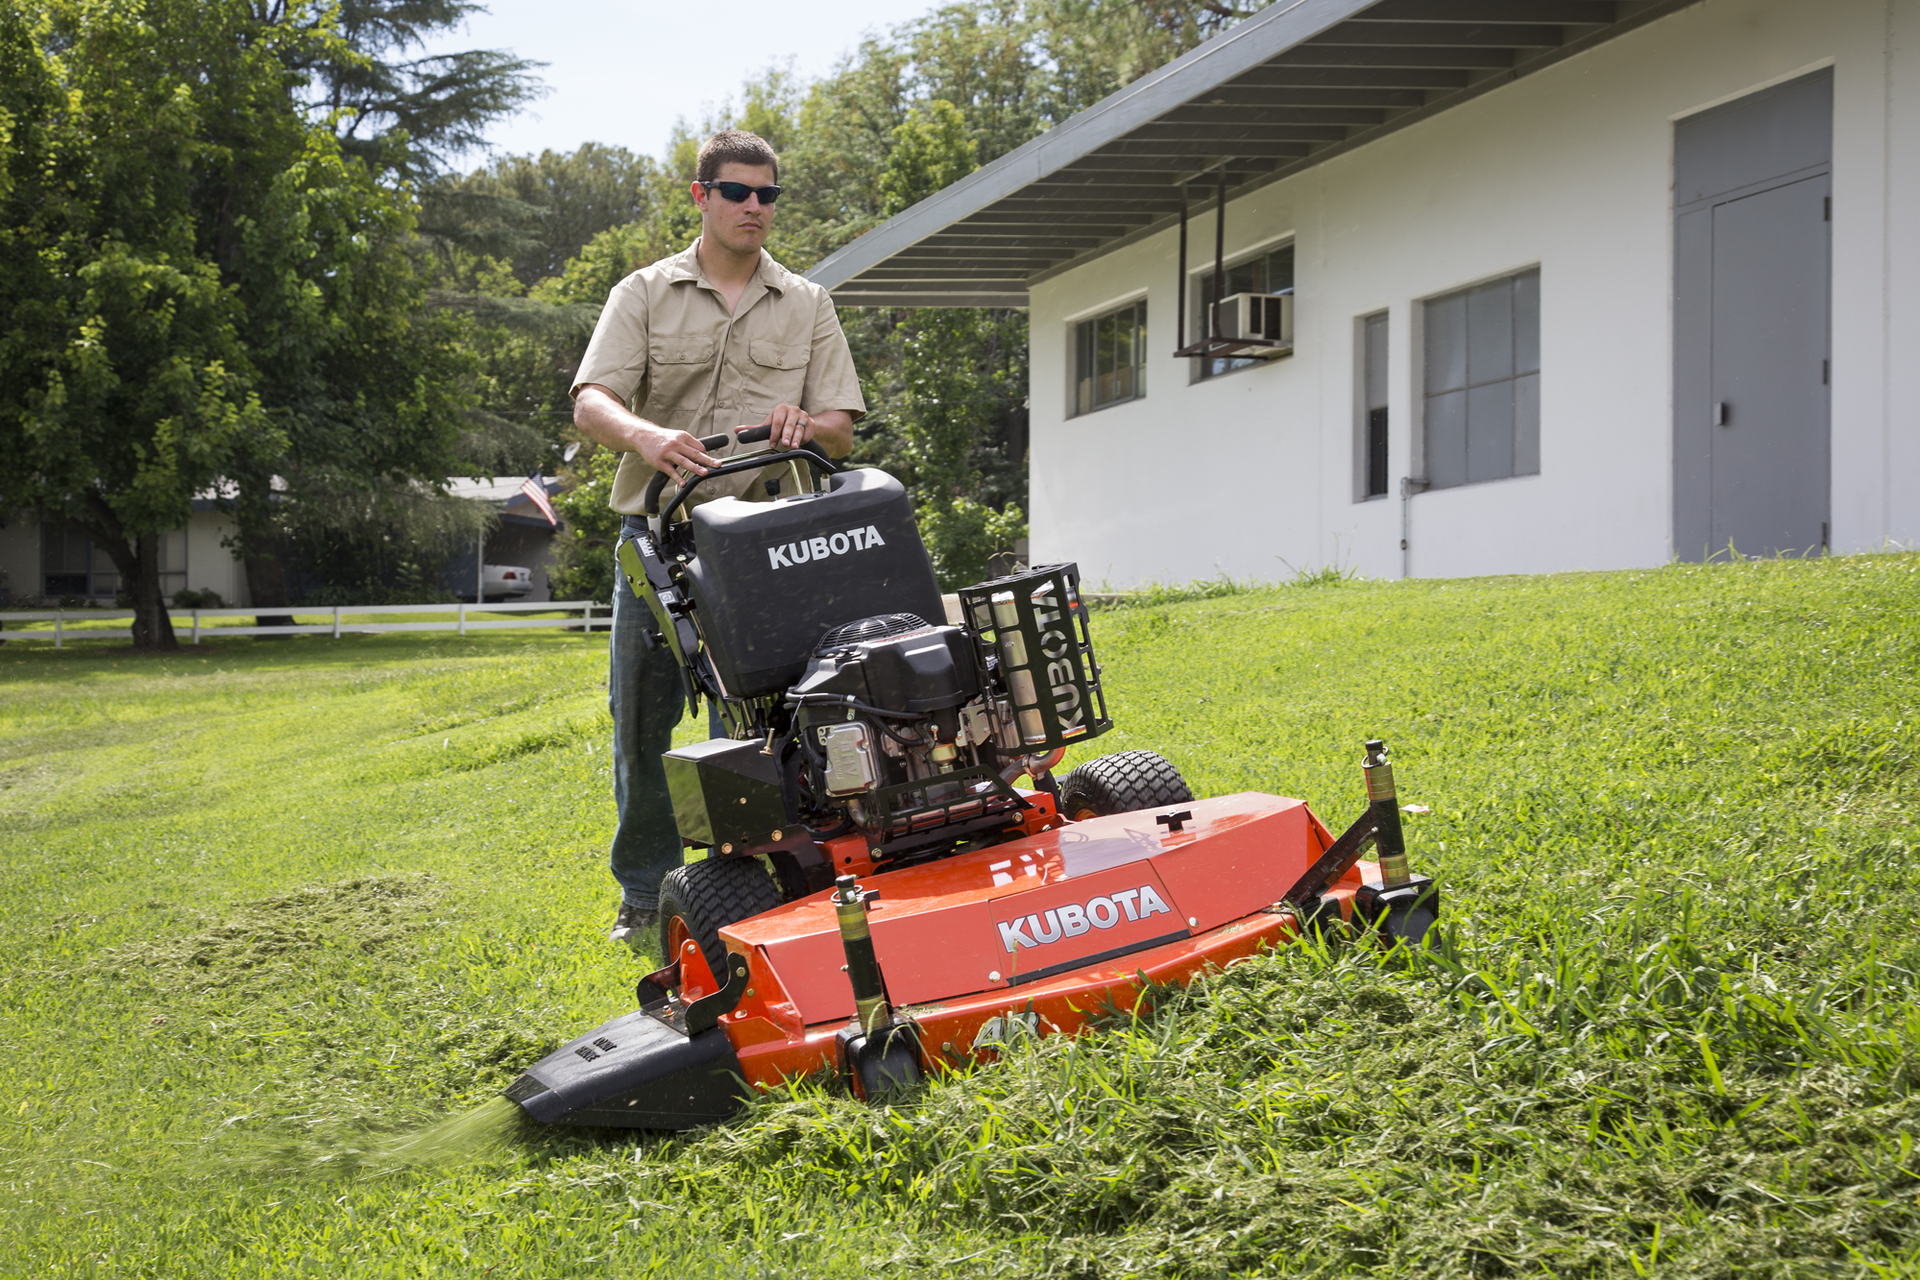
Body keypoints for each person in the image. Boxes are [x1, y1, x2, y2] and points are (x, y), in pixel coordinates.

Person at [568, 130, 865, 951]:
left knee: (775, 708)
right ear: (701, 195)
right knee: (643, 715)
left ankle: (761, 872)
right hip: (663, 534)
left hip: (770, 536)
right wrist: (644, 437)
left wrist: (810, 425)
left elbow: (840, 425)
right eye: (738, 193)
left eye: (768, 196)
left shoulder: (806, 301)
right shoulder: (646, 292)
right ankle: (643, 892)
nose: (755, 209)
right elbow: (592, 399)